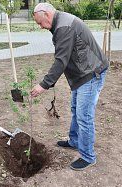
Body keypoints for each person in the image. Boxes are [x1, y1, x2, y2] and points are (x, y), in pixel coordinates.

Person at [30, 3, 109, 171]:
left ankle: (88, 156)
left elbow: (61, 60)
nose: (40, 27)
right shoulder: (60, 23)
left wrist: (43, 85)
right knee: (75, 109)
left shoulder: (64, 26)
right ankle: (74, 141)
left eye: (40, 23)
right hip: (82, 74)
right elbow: (65, 58)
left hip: (91, 73)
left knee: (84, 116)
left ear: (48, 15)